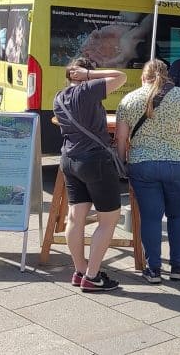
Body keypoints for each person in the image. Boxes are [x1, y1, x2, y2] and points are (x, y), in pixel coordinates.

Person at [116, 60, 180, 284]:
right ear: (167, 76)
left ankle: (153, 269)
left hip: (143, 165)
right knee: (178, 215)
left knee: (151, 217)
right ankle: (177, 266)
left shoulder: (129, 100)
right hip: (179, 164)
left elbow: (121, 138)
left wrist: (124, 160)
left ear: (143, 77)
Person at [53, 57, 128, 292]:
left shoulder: (58, 97)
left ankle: (80, 270)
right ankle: (93, 277)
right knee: (108, 220)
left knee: (75, 217)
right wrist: (88, 75)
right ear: (83, 73)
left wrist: (83, 76)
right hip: (95, 160)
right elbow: (120, 77)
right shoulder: (89, 89)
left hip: (69, 159)